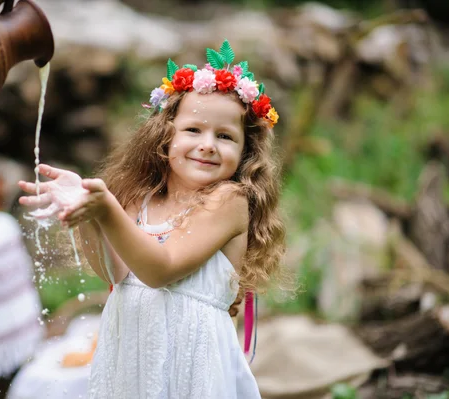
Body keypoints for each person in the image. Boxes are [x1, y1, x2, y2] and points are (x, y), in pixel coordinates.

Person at [19, 39, 285, 398]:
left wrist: (106, 209)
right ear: (165, 136)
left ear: (244, 152)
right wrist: (84, 215)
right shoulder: (139, 199)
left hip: (194, 367)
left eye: (225, 136)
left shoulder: (229, 201)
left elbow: (160, 270)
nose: (208, 144)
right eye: (194, 130)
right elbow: (115, 274)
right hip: (135, 359)